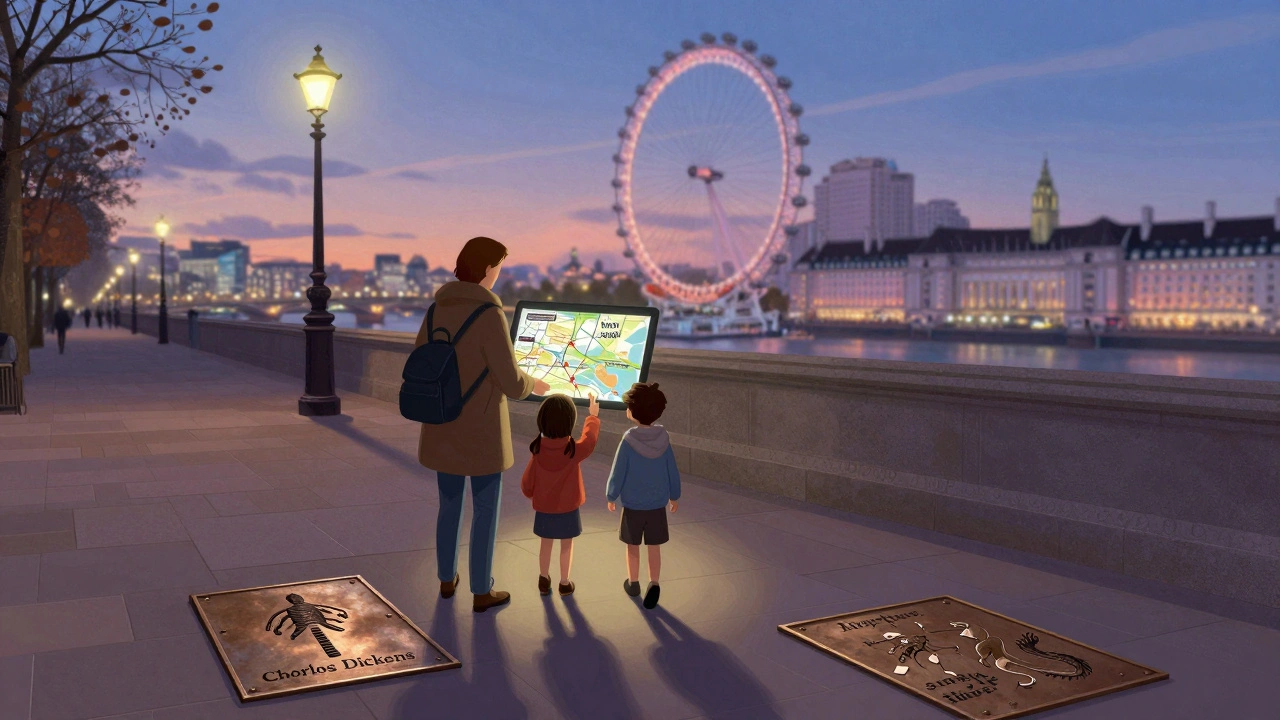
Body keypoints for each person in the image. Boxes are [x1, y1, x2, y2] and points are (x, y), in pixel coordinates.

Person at [415, 236, 551, 613]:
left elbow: (420, 359)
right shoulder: (490, 315)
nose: (499, 275)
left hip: (442, 423)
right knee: (486, 510)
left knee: (449, 505)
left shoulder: (434, 310)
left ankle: (446, 580)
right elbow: (510, 380)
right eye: (500, 267)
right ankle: (481, 590)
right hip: (481, 430)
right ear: (488, 268)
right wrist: (533, 383)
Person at [606, 382, 681, 609]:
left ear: (632, 412)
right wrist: (674, 496)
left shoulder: (628, 441)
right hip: (657, 505)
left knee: (632, 545)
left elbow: (618, 471)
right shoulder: (664, 440)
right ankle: (655, 582)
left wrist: (611, 495)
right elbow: (672, 470)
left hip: (632, 505)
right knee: (654, 546)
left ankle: (634, 582)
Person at [521, 393, 600, 597]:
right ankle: (564, 582)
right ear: (569, 422)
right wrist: (592, 416)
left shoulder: (538, 450)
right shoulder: (574, 450)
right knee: (567, 544)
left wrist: (532, 494)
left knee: (545, 544)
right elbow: (589, 440)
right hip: (568, 508)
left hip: (544, 508)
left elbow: (527, 483)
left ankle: (543, 578)